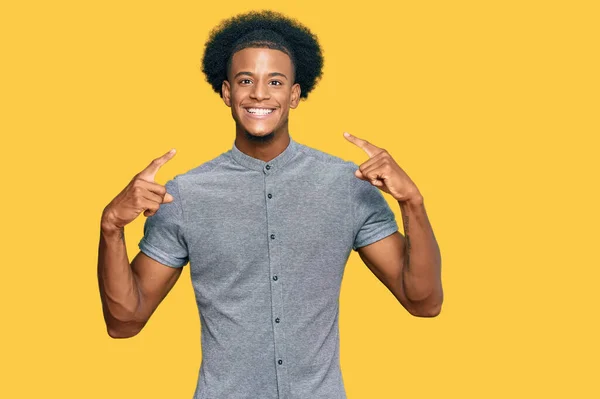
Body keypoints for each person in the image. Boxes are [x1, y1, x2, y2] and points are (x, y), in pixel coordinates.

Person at [98, 10, 443, 399]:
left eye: (275, 82)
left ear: (294, 95)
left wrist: (413, 202)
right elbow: (124, 323)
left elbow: (424, 302)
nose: (259, 93)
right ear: (227, 92)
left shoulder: (348, 186)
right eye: (246, 80)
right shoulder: (185, 196)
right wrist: (111, 227)